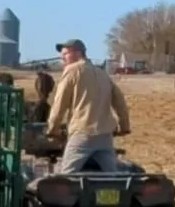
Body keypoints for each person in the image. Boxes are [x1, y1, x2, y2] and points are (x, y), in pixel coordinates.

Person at [44, 39, 131, 173]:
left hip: (83, 134)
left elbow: (59, 104)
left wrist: (52, 129)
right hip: (105, 137)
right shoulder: (102, 73)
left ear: (78, 53)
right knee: (113, 177)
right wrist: (124, 126)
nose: (62, 57)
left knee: (65, 178)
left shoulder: (72, 71)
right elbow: (120, 101)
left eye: (66, 53)